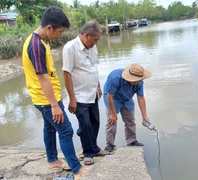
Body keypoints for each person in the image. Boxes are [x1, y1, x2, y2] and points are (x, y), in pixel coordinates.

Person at [22, 6, 87, 179]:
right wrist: (54, 105)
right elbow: (42, 77)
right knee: (65, 130)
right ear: (49, 27)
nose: (60, 35)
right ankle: (77, 169)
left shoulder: (41, 41)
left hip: (45, 97)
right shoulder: (35, 45)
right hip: (45, 99)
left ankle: (52, 161)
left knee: (49, 128)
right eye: (59, 31)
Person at [62, 20, 109, 166]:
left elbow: (94, 68)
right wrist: (72, 99)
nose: (96, 43)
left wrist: (98, 87)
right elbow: (66, 73)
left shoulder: (92, 47)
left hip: (93, 93)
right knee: (86, 124)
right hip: (79, 95)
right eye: (95, 40)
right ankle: (88, 153)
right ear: (86, 35)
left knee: (95, 122)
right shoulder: (70, 47)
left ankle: (94, 147)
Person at [103, 64, 152, 152]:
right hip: (113, 98)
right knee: (111, 121)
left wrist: (145, 116)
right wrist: (113, 114)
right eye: (134, 81)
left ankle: (131, 141)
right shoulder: (115, 78)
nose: (136, 82)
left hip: (127, 98)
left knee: (130, 120)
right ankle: (109, 144)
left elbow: (141, 97)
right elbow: (110, 96)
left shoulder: (140, 81)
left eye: (138, 80)